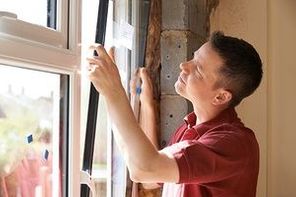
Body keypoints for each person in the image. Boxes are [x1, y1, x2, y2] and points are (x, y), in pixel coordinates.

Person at [87, 31, 262, 197]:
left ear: (221, 96)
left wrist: (113, 91)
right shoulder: (190, 127)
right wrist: (146, 105)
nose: (184, 66)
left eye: (198, 69)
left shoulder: (234, 144)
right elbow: (153, 178)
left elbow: (144, 168)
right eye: (193, 58)